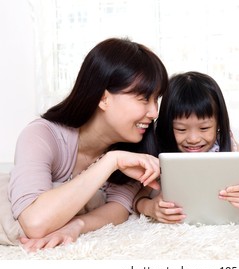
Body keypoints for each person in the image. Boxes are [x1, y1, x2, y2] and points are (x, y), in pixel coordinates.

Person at [7, 38, 168, 251]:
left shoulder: (138, 149)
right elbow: (35, 223)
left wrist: (77, 225)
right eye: (144, 99)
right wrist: (112, 161)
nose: (154, 113)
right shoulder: (41, 135)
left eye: (156, 99)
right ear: (103, 98)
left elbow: (119, 207)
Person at [134, 71, 239, 223]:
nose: (193, 139)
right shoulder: (157, 149)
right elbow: (138, 198)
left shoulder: (224, 144)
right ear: (167, 126)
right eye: (181, 129)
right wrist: (150, 208)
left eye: (204, 128)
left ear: (219, 124)